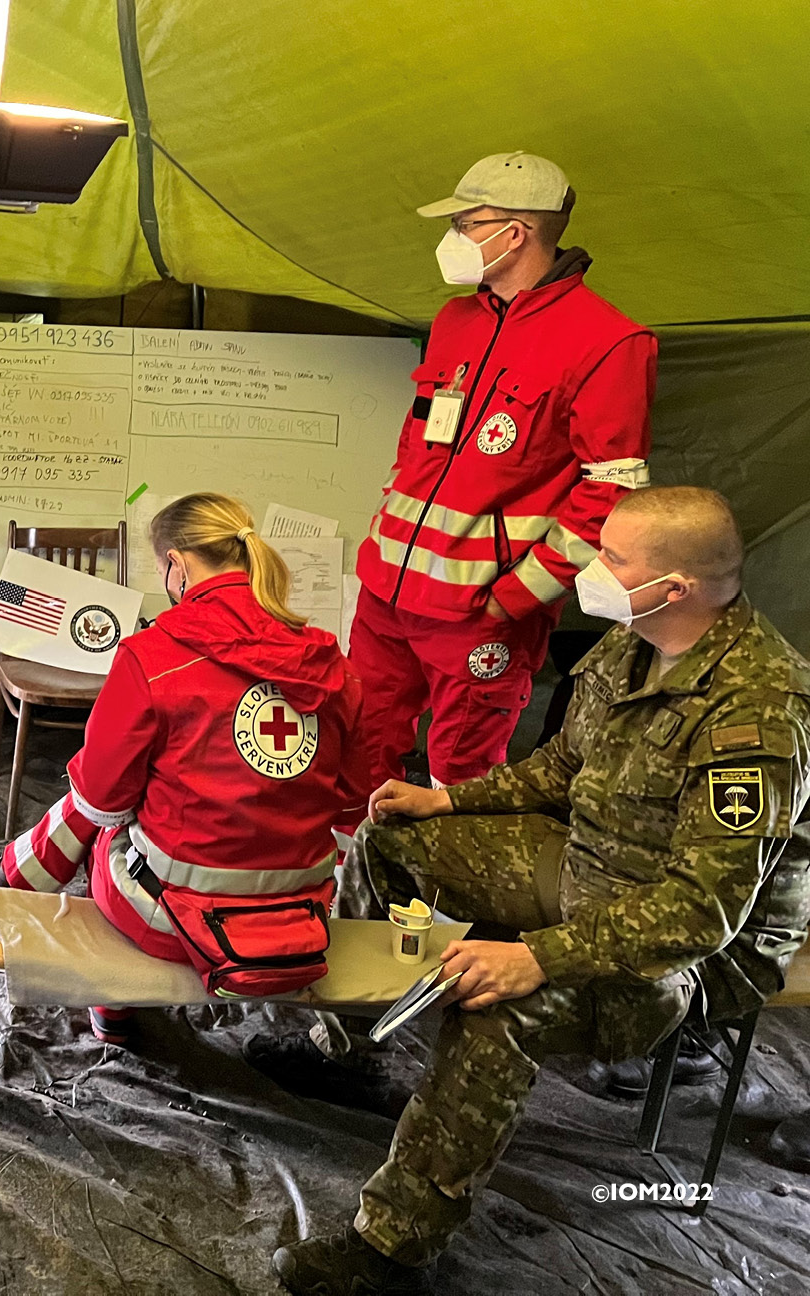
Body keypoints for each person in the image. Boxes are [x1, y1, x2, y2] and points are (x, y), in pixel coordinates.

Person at [264, 486, 810, 1295]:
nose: (592, 569)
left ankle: (391, 1252)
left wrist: (534, 958)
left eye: (614, 559)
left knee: (496, 1007)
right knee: (390, 837)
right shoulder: (628, 643)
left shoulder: (756, 710)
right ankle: (346, 1052)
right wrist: (446, 798)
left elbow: (705, 911)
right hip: (587, 862)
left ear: (678, 587)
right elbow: (561, 767)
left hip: (685, 956)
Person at [0, 493, 365, 1044]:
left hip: (178, 923)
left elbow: (102, 797)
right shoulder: (331, 663)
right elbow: (353, 795)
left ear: (179, 564)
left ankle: (108, 1004)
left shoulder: (152, 654)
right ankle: (11, 878)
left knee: (100, 828)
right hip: (303, 920)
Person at [349, 152, 656, 802]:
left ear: (514, 233)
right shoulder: (454, 321)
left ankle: (441, 907)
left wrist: (517, 596)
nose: (453, 237)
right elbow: (420, 444)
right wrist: (380, 552)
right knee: (358, 749)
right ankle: (354, 894)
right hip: (385, 598)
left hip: (480, 612)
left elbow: (612, 492)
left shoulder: (610, 342)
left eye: (466, 222)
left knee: (458, 779)